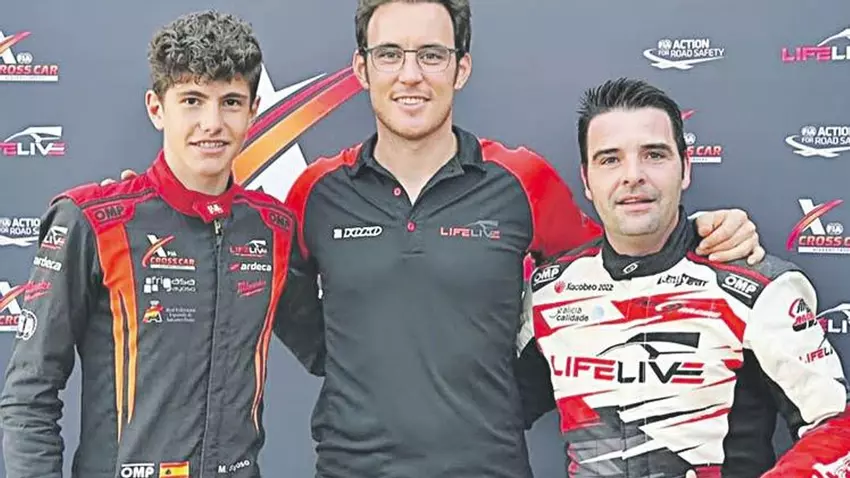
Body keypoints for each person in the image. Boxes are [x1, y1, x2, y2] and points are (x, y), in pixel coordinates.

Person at [108, 2, 764, 476]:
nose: (411, 74)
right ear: (361, 70)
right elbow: (264, 281)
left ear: (462, 67)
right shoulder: (316, 192)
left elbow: (617, 269)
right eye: (390, 55)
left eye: (432, 54)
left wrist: (704, 233)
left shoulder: (523, 181)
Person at [0, 11, 321, 478]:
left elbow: (330, 349)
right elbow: (30, 394)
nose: (212, 123)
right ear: (156, 108)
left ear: (253, 112)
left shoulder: (273, 229)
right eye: (192, 100)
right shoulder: (93, 221)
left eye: (231, 102)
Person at [517, 77, 850, 478]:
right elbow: (483, 411)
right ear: (587, 181)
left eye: (654, 155)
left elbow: (837, 425)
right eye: (610, 159)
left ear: (685, 168)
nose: (633, 175)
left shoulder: (758, 290)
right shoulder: (549, 292)